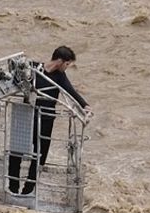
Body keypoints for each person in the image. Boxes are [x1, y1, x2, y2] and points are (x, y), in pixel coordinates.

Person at [8, 46, 92, 195]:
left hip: (46, 120)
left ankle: (27, 192)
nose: (67, 68)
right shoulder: (33, 68)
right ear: (60, 61)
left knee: (39, 157)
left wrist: (85, 105)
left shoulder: (60, 77)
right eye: (67, 64)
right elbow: (14, 81)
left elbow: (71, 92)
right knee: (16, 153)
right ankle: (12, 189)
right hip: (26, 116)